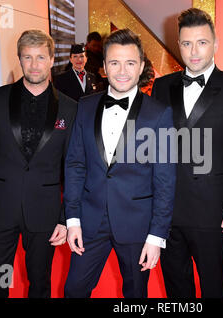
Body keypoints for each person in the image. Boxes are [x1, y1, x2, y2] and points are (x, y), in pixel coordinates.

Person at [63, 28, 176, 298]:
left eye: (130, 63)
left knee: (136, 295)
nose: (122, 70)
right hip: (90, 221)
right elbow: (76, 164)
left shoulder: (159, 114)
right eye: (114, 62)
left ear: (141, 68)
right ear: (103, 67)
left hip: (137, 224)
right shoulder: (85, 106)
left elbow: (165, 179)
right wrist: (73, 219)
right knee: (74, 290)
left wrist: (156, 237)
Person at [0, 29, 77, 298]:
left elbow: (73, 167)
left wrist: (66, 218)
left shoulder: (70, 108)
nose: (34, 64)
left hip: (45, 214)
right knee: (0, 281)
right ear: (19, 59)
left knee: (40, 283)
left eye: (40, 57)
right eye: (27, 57)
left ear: (52, 60)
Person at [151, 8, 223, 298]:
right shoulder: (161, 87)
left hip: (214, 210)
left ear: (215, 44)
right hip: (167, 210)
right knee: (175, 287)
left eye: (202, 42)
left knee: (214, 286)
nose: (194, 52)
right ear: (178, 45)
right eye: (186, 43)